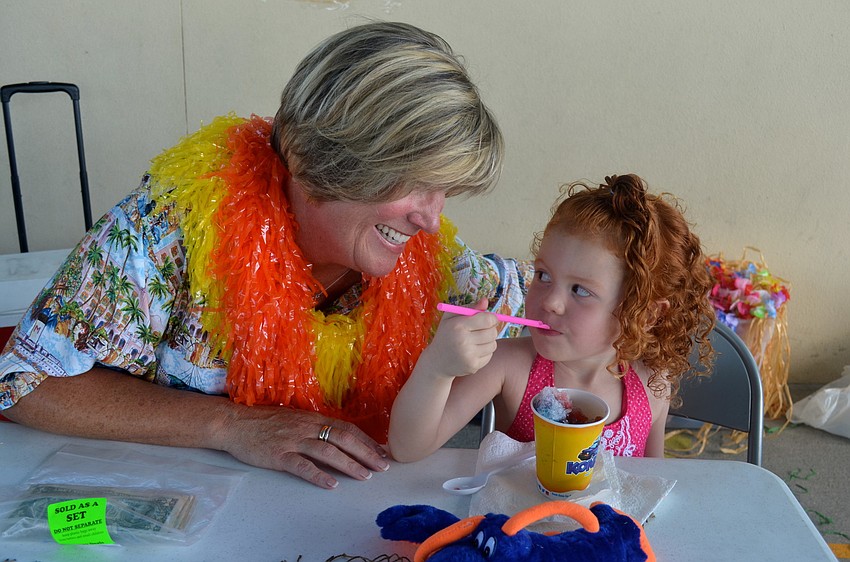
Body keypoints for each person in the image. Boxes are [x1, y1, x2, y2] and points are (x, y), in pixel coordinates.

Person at [0, 22, 533, 489]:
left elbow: (553, 304)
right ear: (311, 156)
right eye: (410, 182)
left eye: (443, 188)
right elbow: (25, 385)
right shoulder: (170, 229)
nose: (431, 219)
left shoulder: (430, 259)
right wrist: (228, 425)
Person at [389, 174, 716, 461]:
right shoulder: (508, 366)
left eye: (581, 290)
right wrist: (438, 367)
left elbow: (650, 487)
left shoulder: (652, 386)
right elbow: (408, 448)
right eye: (544, 276)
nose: (552, 302)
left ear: (645, 314)